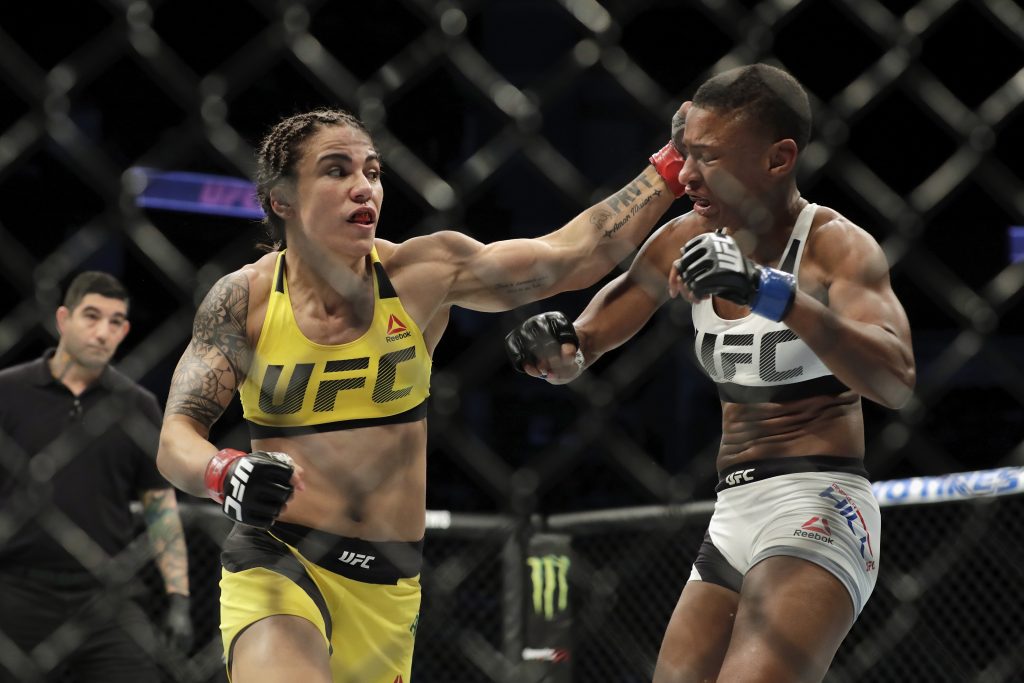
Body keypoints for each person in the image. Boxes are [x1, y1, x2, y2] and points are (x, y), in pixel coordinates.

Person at [155, 106, 681, 682]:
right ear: (282, 199)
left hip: (389, 587)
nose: (364, 187)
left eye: (373, 172)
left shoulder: (422, 273)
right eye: (336, 171)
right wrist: (223, 472)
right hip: (280, 561)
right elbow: (176, 436)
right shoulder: (244, 299)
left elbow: (575, 256)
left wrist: (673, 165)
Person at [504, 63, 915, 682]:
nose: (687, 175)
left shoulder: (835, 247)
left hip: (819, 501)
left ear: (779, 159)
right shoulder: (684, 237)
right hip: (732, 512)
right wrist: (557, 349)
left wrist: (769, 292)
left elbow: (895, 378)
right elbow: (587, 340)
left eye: (709, 158)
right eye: (686, 154)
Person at [0, 271, 193, 683]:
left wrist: (178, 596)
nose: (102, 332)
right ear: (63, 319)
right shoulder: (8, 392)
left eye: (114, 322)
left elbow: (160, 505)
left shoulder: (137, 406)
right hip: (15, 589)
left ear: (124, 331)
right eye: (91, 316)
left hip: (104, 597)